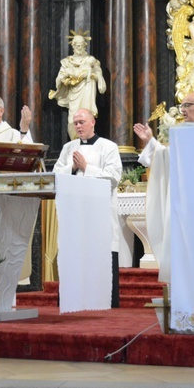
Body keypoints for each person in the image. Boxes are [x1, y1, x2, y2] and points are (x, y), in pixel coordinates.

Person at [53, 109, 123, 307]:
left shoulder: (108, 147)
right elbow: (56, 174)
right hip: (74, 212)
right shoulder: (68, 147)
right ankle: (73, 300)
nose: (78, 126)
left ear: (93, 122)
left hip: (99, 213)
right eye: (75, 123)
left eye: (82, 122)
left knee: (100, 254)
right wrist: (72, 169)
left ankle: (104, 302)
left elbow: (113, 178)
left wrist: (86, 167)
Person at [49, 33, 107, 140]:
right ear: (73, 46)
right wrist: (65, 79)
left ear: (85, 45)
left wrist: (96, 77)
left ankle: (87, 140)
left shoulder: (92, 61)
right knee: (73, 120)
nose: (79, 48)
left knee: (87, 117)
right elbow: (60, 78)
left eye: (81, 45)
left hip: (87, 91)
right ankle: (75, 141)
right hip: (74, 94)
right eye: (77, 46)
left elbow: (99, 76)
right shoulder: (67, 62)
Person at [133, 92, 194, 168]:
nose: (182, 110)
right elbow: (166, 158)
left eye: (187, 105)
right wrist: (149, 140)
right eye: (181, 106)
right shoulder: (181, 134)